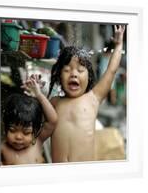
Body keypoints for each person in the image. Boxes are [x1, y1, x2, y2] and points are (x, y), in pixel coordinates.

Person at [48, 25, 125, 162]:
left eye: (80, 70)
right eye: (67, 70)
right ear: (59, 76)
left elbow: (111, 71)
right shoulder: (54, 102)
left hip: (84, 171)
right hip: (58, 172)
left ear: (88, 77)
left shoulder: (93, 98)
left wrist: (118, 45)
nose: (73, 74)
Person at [1, 78, 57, 165]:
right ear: (4, 127)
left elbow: (52, 120)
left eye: (26, 132)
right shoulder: (2, 149)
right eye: (12, 130)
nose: (19, 137)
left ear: (35, 132)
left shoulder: (37, 141)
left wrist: (39, 95)